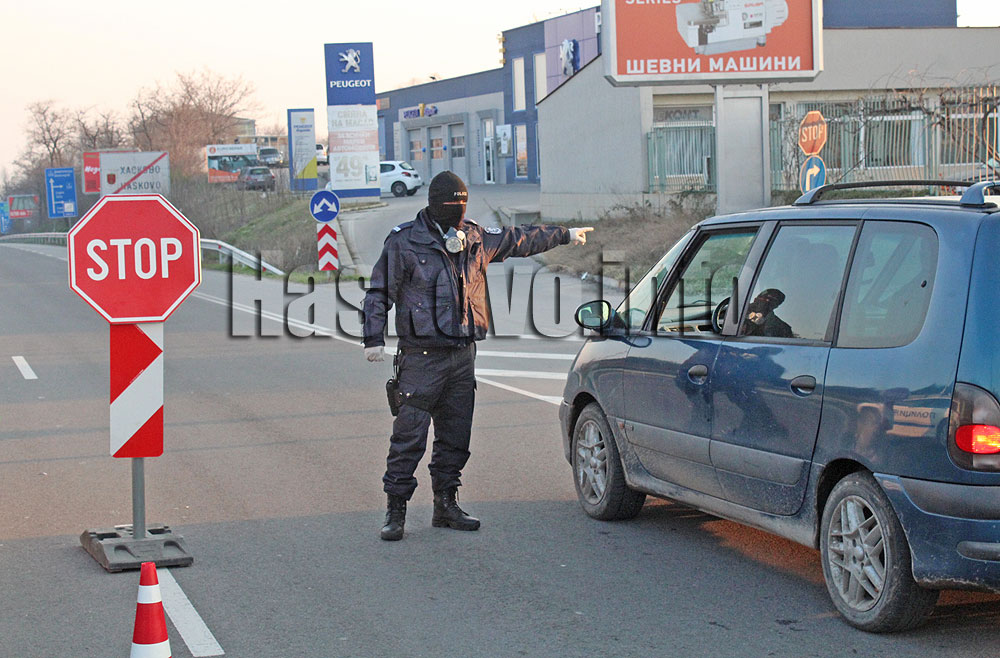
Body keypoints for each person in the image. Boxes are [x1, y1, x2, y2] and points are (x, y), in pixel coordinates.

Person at [363, 171, 593, 541]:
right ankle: (396, 510)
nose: (458, 211)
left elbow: (520, 239)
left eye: (462, 204)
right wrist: (372, 337)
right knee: (409, 438)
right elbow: (379, 291)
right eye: (452, 204)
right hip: (421, 358)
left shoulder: (474, 238)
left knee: (456, 437)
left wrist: (564, 234)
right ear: (435, 204)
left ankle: (446, 505)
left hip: (462, 356)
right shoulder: (404, 242)